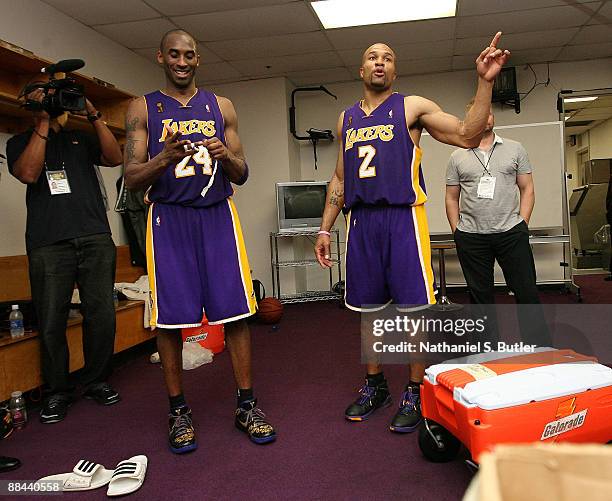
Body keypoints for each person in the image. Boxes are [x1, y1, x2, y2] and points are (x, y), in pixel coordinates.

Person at [315, 33, 510, 432]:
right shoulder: (346, 118)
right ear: (362, 68)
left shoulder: (411, 107)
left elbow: (466, 134)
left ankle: (414, 389)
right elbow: (339, 177)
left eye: (388, 57)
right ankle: (375, 386)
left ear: (394, 69)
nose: (380, 62)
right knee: (368, 311)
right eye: (372, 57)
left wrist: (485, 82)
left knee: (411, 312)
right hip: (362, 222)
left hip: (402, 217)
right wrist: (324, 227)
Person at [124, 29, 276, 454]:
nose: (182, 61)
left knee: (238, 313)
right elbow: (131, 179)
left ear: (197, 59)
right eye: (174, 54)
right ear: (160, 57)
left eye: (189, 54)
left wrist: (226, 155)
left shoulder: (220, 106)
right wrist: (163, 159)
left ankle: (247, 405)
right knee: (171, 319)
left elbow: (243, 173)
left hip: (217, 217)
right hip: (169, 220)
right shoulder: (143, 108)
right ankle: (178, 411)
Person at [7, 75, 123, 424]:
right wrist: (43, 121)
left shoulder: (81, 138)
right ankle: (58, 390)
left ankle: (96, 380)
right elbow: (28, 173)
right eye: (43, 95)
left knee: (101, 313)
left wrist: (93, 114)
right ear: (28, 103)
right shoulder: (20, 142)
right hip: (49, 242)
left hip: (94, 237)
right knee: (52, 318)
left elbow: (114, 157)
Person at [445, 103, 551, 346]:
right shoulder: (457, 155)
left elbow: (528, 189)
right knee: (480, 298)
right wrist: (457, 232)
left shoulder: (515, 148)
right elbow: (451, 197)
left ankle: (539, 349)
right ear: (470, 119)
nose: (485, 116)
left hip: (511, 233)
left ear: (492, 117)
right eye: (477, 113)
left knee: (526, 293)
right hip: (472, 237)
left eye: (488, 112)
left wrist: (522, 225)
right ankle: (487, 350)